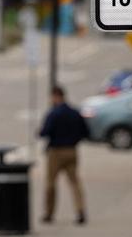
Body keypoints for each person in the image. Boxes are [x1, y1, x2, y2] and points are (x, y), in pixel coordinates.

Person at [39, 85, 89, 225]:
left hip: (56, 152)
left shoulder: (54, 113)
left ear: (56, 96)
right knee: (75, 182)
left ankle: (49, 213)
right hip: (71, 150)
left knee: (51, 183)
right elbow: (85, 132)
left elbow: (44, 132)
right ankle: (80, 211)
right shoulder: (74, 112)